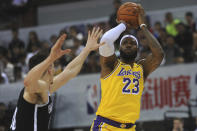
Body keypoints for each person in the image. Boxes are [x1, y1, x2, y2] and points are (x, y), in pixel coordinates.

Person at [9, 27, 104, 131]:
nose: (54, 68)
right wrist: (50, 59)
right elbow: (28, 81)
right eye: (53, 65)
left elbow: (69, 71)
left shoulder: (46, 87)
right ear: (49, 69)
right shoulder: (35, 88)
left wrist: (87, 49)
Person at [91, 5, 164, 131]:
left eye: (133, 43)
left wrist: (143, 27)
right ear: (120, 48)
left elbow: (159, 55)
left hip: (129, 127)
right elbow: (106, 40)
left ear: (138, 48)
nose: (129, 45)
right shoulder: (111, 64)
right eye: (125, 43)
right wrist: (124, 25)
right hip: (106, 125)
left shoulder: (141, 68)